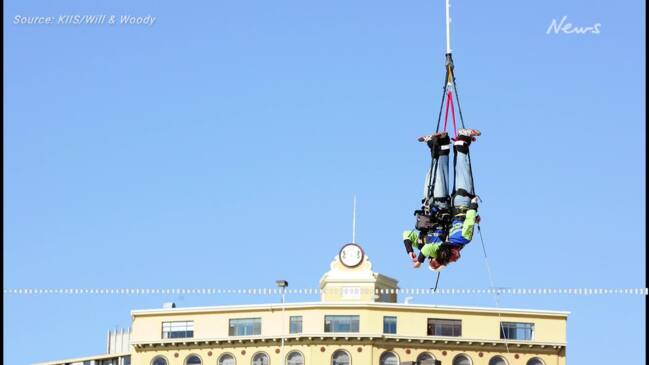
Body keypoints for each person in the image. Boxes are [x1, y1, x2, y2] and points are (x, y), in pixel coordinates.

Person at [407, 128, 481, 270]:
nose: (457, 257)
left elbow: (423, 247)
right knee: (446, 173)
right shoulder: (449, 242)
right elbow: (468, 223)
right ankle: (445, 142)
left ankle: (452, 141)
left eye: (454, 259)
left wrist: (415, 257)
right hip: (452, 208)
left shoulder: (444, 244)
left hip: (450, 205)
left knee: (454, 172)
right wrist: (473, 214)